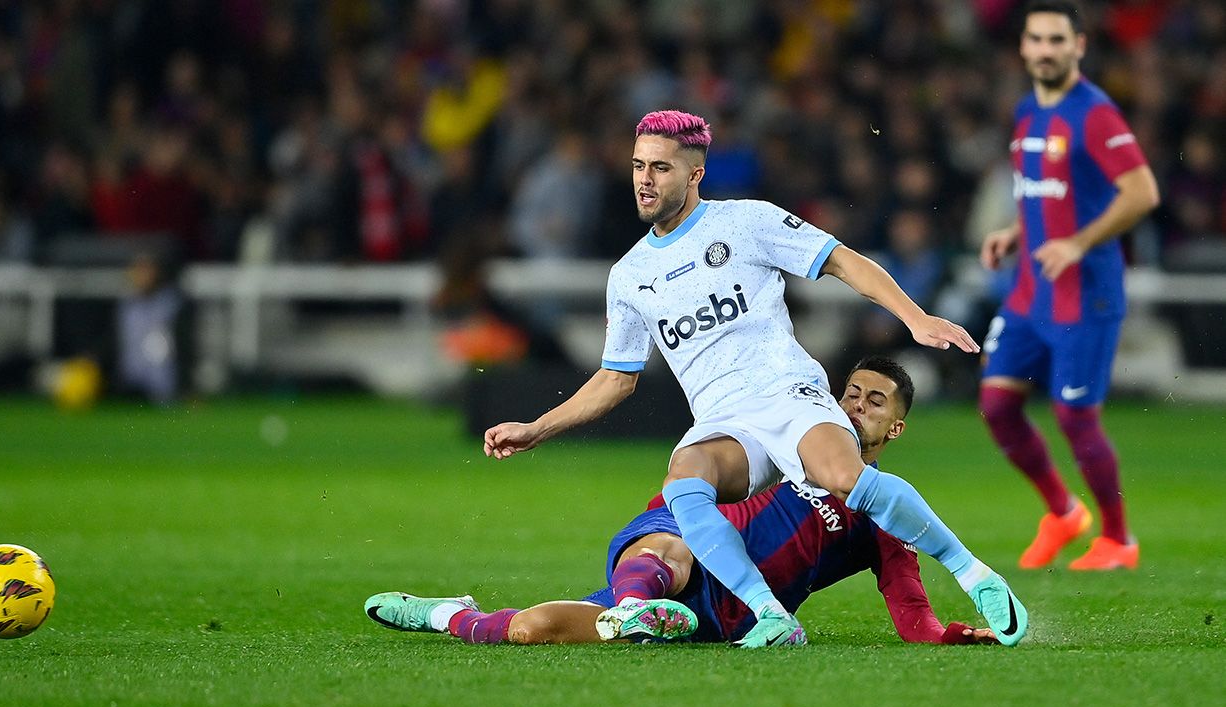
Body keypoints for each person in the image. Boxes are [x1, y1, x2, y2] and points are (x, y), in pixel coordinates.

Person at [483, 109, 1028, 647]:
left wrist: (916, 318)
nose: (645, 179)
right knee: (684, 478)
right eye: (637, 165)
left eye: (660, 168)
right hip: (724, 420)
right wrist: (537, 428)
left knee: (843, 477)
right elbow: (615, 379)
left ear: (695, 174)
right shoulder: (628, 276)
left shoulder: (746, 222)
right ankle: (770, 615)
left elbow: (842, 261)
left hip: (788, 393)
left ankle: (974, 574)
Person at [368, 357, 997, 646]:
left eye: (875, 402)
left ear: (896, 430)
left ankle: (445, 615)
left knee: (533, 629)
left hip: (721, 614)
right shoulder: (791, 436)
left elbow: (913, 615)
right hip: (683, 538)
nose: (856, 405)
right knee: (679, 535)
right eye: (852, 392)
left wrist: (950, 638)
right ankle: (638, 608)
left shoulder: (886, 523)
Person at [978, 1, 1159, 571]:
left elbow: (1142, 193)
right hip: (1032, 291)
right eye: (1037, 39)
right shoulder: (1027, 111)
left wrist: (1078, 243)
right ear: (1024, 47)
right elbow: (1046, 192)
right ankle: (1062, 513)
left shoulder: (1096, 114)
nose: (1046, 49)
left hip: (1086, 295)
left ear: (1079, 46)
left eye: (1058, 39)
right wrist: (1013, 231)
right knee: (997, 404)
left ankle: (1119, 540)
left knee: (1075, 417)